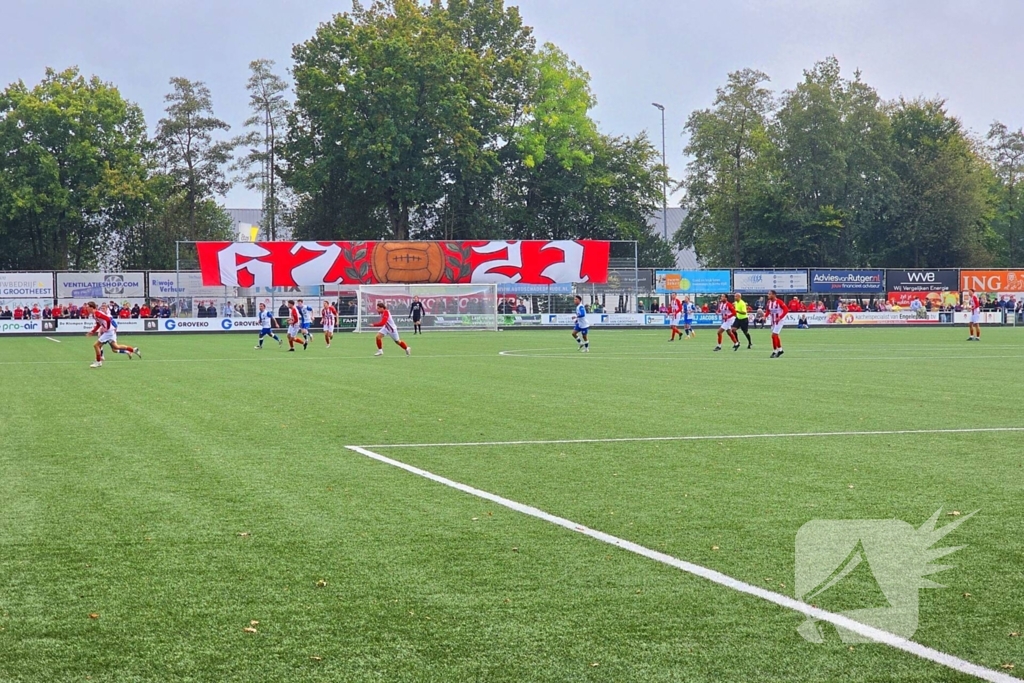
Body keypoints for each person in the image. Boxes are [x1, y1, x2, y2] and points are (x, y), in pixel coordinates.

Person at [82, 301, 140, 367]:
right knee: (116, 347)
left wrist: (107, 328)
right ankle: (133, 350)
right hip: (110, 331)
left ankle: (98, 362)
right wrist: (92, 331)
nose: (86, 309)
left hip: (109, 332)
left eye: (87, 307)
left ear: (91, 307)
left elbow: (108, 319)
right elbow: (98, 324)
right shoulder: (94, 314)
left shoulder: (97, 313)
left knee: (96, 345)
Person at [766, 289, 790, 358]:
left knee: (774, 335)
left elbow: (786, 310)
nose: (768, 295)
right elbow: (768, 311)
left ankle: (775, 351)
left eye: (769, 294)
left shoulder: (779, 302)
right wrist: (765, 316)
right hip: (773, 321)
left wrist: (780, 317)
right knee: (775, 336)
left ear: (773, 295)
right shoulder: (769, 302)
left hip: (779, 321)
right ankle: (780, 350)